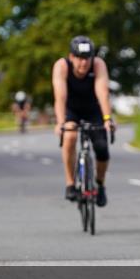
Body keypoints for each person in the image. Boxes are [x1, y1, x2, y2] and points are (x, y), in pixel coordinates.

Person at [53, 36, 115, 206]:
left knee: (102, 148)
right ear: (71, 57)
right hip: (71, 110)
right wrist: (60, 122)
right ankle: (70, 183)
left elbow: (103, 93)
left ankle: (100, 185)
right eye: (79, 58)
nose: (83, 63)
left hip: (93, 109)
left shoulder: (98, 64)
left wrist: (107, 119)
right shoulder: (61, 66)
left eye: (87, 58)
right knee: (70, 136)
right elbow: (60, 97)